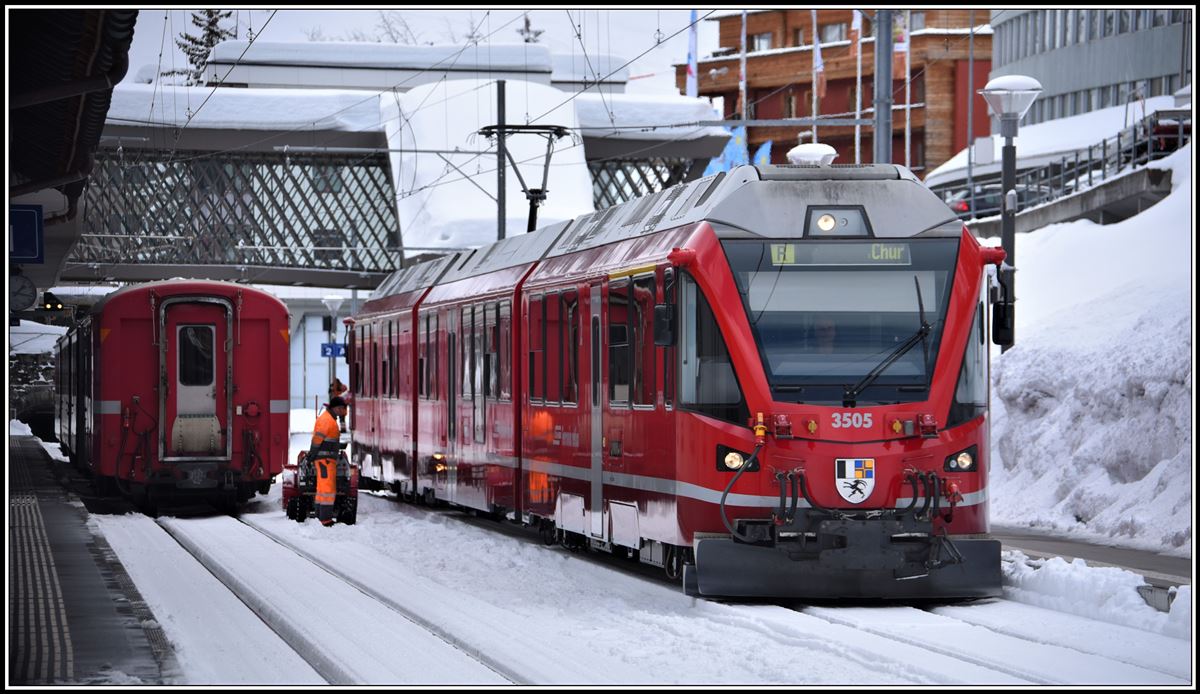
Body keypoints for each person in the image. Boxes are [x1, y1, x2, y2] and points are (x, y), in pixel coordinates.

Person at [308, 396, 348, 526]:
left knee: (322, 489)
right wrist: (312, 455)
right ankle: (325, 519)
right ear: (336, 408)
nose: (343, 411)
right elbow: (317, 440)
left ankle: (320, 517)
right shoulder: (327, 420)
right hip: (325, 460)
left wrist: (338, 446)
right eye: (342, 409)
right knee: (327, 489)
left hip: (325, 459)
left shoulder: (329, 419)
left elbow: (326, 440)